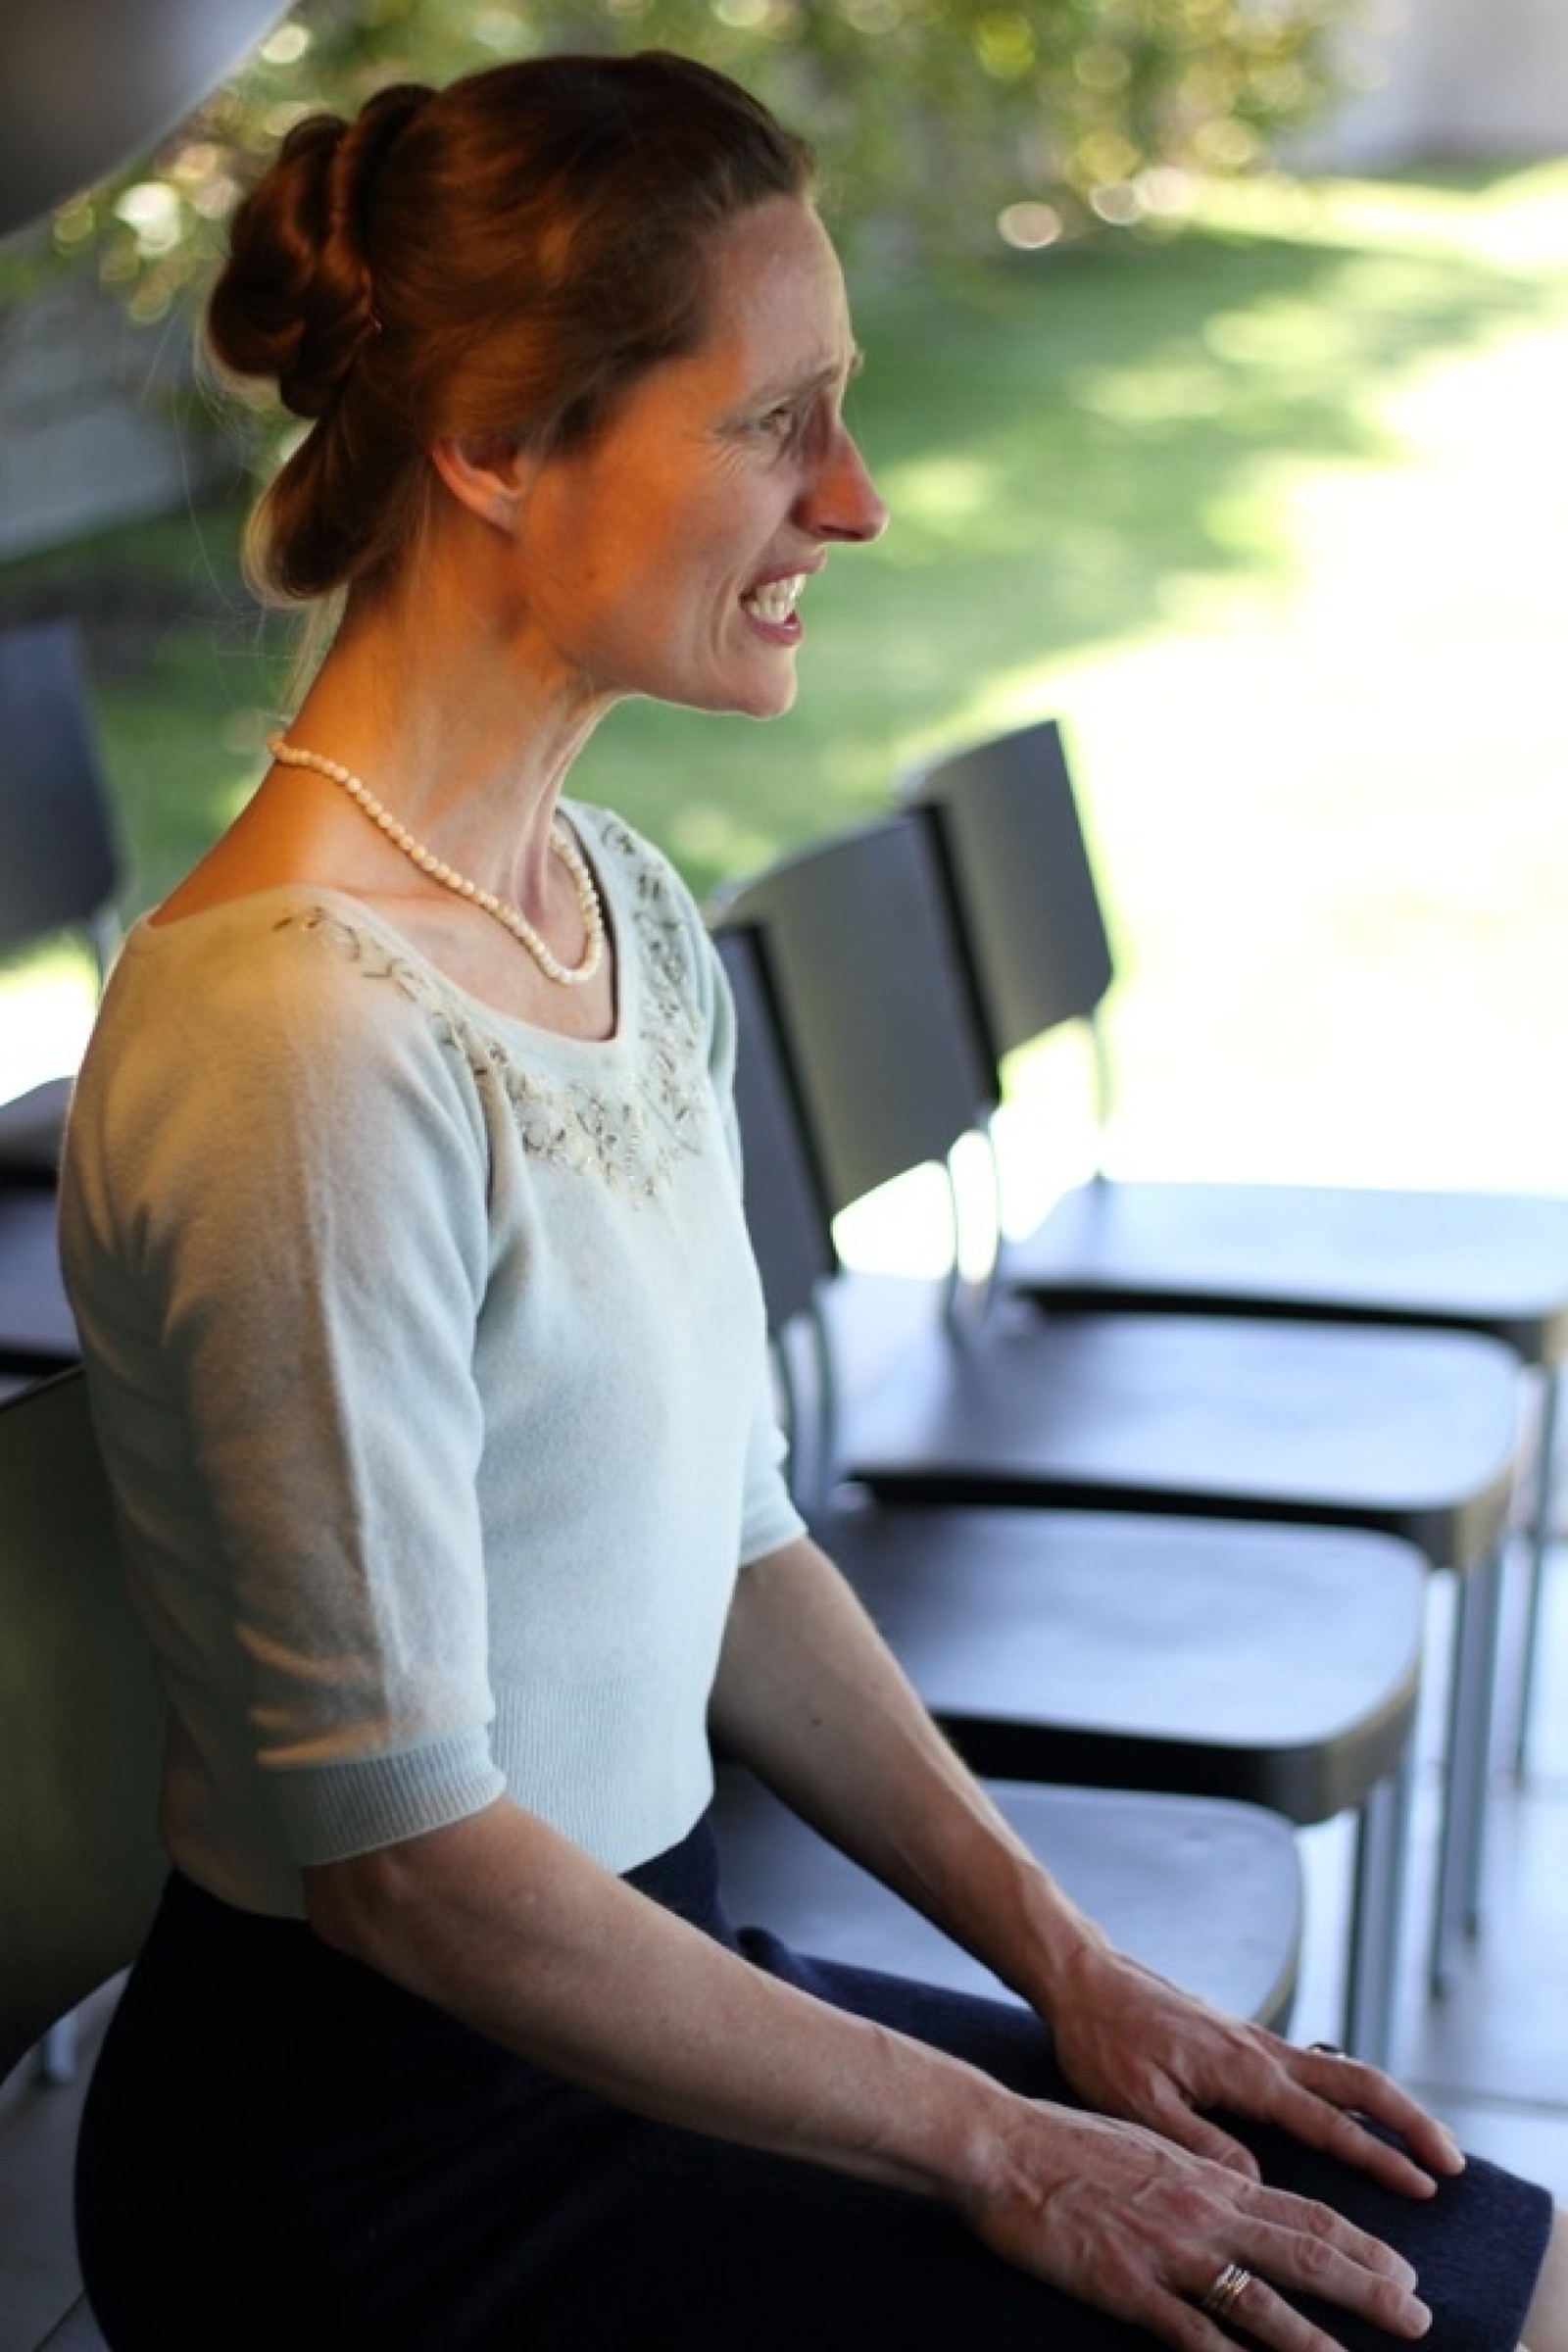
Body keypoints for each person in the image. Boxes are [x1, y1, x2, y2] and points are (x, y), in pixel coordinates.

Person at [59, 48, 1563, 2352]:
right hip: (387, 2166)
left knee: (1479, 2252)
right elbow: (402, 1870)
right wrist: (1001, 2143)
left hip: (647, 1997)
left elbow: (733, 1547)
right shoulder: (293, 1042)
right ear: (492, 449)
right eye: (775, 421)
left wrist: (1073, 1979)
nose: (850, 500)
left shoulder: (616, 913)